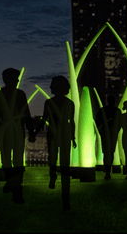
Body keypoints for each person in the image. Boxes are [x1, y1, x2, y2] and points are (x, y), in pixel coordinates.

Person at [0, 68, 35, 204]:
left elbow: (26, 114)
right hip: (10, 133)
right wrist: (31, 132)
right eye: (15, 78)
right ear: (7, 79)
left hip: (13, 133)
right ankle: (13, 185)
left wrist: (31, 132)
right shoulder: (1, 96)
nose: (17, 81)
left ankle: (16, 189)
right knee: (10, 162)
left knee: (13, 161)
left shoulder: (11, 95)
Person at [35, 75, 76, 211]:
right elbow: (45, 119)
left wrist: (73, 137)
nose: (51, 87)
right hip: (61, 134)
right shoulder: (66, 103)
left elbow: (44, 120)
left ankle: (65, 197)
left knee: (57, 161)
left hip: (56, 134)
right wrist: (73, 137)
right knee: (58, 162)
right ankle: (54, 176)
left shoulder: (54, 103)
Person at [95, 94, 122, 181]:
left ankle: (107, 170)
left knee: (106, 152)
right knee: (110, 152)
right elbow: (120, 123)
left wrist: (101, 130)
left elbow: (97, 121)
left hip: (106, 134)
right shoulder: (117, 111)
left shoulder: (102, 110)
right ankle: (107, 170)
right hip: (111, 134)